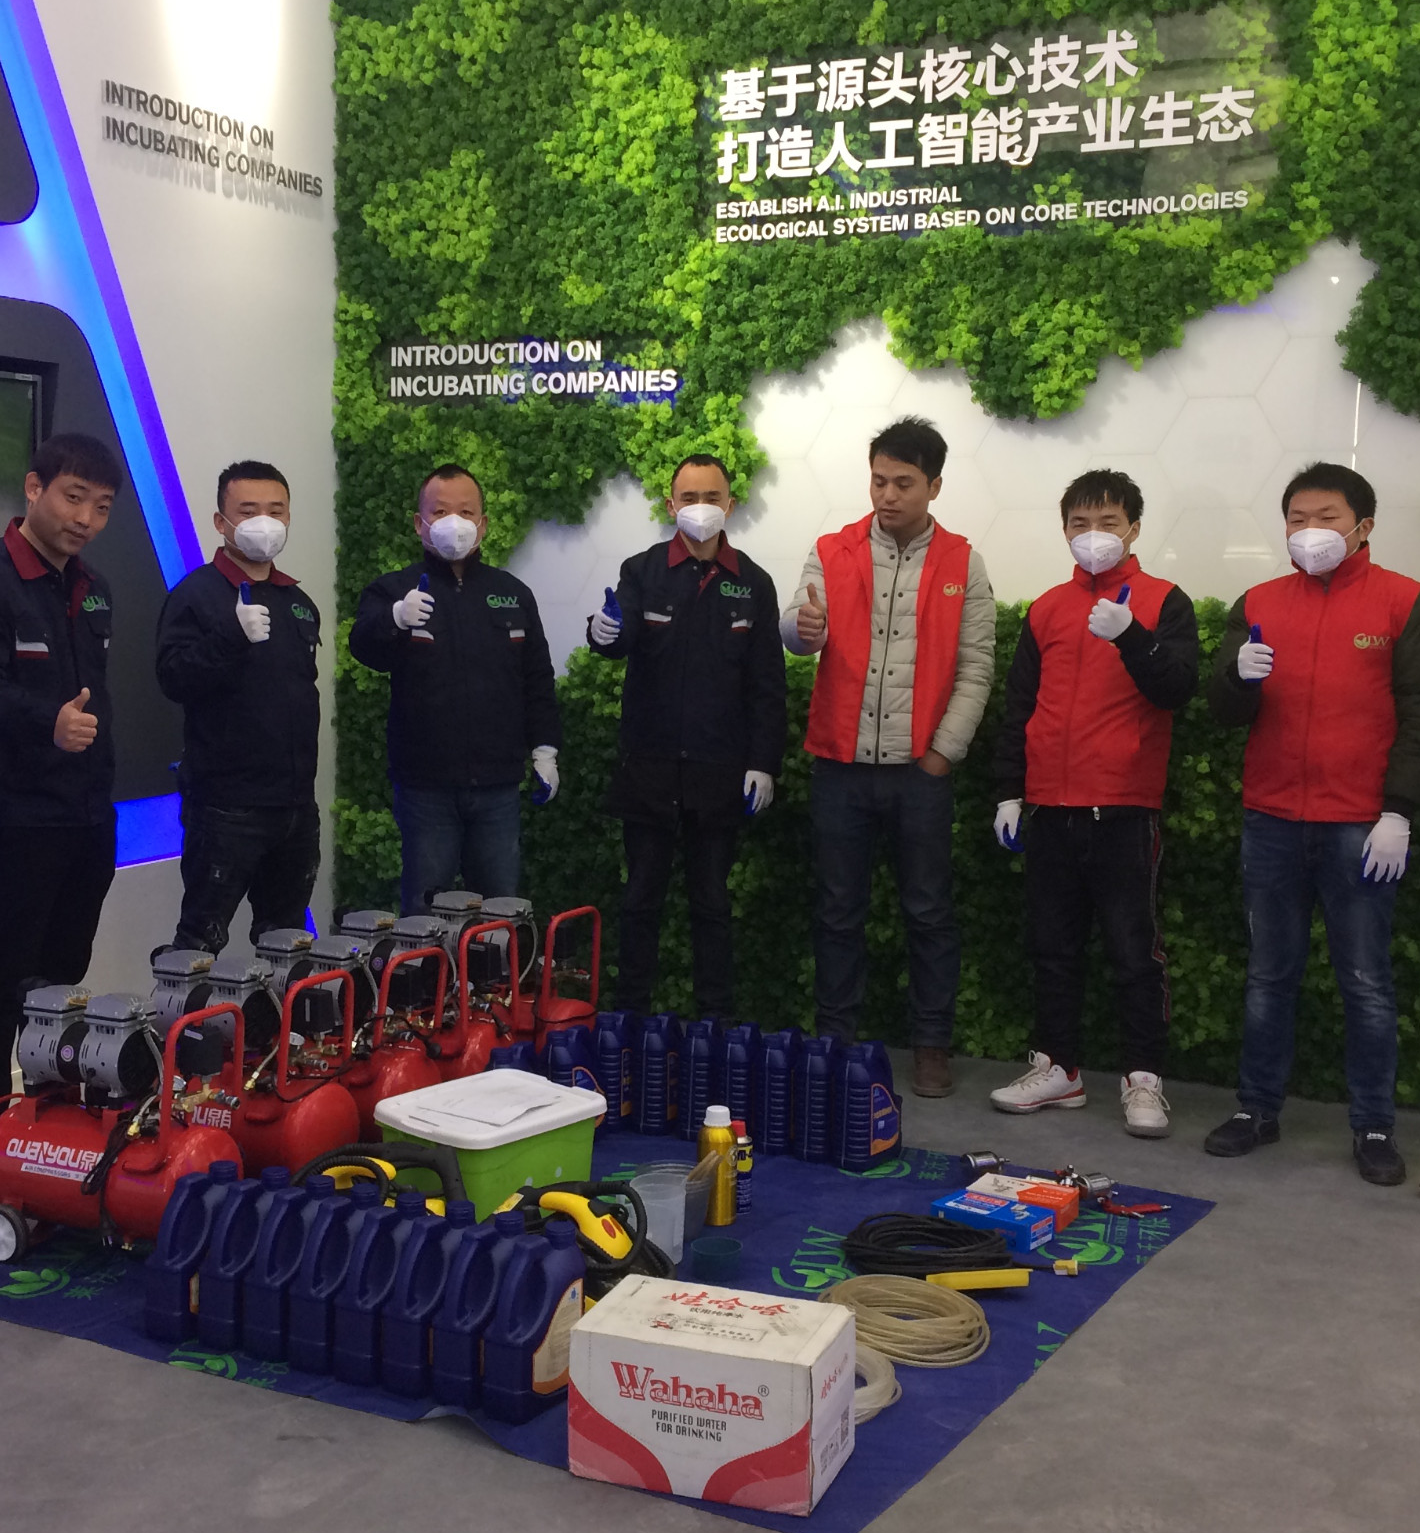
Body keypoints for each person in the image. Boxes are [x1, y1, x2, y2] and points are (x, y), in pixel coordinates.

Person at [1201, 462, 1420, 1185]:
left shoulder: (1405, 602)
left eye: (1327, 518)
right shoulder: (1258, 602)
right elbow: (1223, 713)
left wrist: (1399, 812)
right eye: (1296, 518)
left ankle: (1373, 1124)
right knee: (1268, 975)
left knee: (1366, 982)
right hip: (1273, 817)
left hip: (1361, 826)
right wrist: (1235, 677)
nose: (1309, 531)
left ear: (1363, 526)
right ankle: (1256, 1109)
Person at [782, 417, 996, 1099]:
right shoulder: (832, 549)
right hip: (839, 767)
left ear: (935, 485)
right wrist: (800, 630)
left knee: (929, 913)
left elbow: (976, 667)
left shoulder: (963, 562)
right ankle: (835, 1042)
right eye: (878, 481)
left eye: (904, 483)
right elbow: (797, 629)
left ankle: (931, 1046)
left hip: (919, 772)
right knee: (836, 911)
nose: (887, 495)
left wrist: (942, 754)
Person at [987, 469, 1198, 1137]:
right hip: (1050, 805)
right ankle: (1058, 1069)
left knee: (1135, 952)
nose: (1093, 535)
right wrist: (1010, 791)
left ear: (1134, 528)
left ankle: (1144, 1079)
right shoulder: (1047, 608)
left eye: (1108, 522)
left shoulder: (1165, 601)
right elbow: (1021, 705)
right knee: (1052, 947)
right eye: (1080, 523)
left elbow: (1177, 688)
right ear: (1064, 531)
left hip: (1125, 806)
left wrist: (1132, 635)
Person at [0, 433, 124, 1193]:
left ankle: (45, 1114)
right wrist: (45, 722)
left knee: (61, 980)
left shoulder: (94, 587)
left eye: (101, 507)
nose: (85, 519)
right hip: (12, 818)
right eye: (73, 498)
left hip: (86, 816)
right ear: (33, 488)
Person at [586, 453, 788, 1017]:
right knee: (639, 901)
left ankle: (715, 1024)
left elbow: (767, 684)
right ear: (670, 505)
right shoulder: (641, 571)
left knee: (713, 906)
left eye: (712, 497)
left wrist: (764, 762)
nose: (701, 508)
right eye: (690, 498)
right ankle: (629, 1020)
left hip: (719, 774)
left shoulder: (753, 583)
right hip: (648, 770)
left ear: (731, 505)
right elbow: (619, 634)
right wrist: (602, 632)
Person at [350, 463, 561, 909]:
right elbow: (363, 647)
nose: (454, 522)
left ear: (483, 524)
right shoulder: (394, 589)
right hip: (425, 787)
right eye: (440, 511)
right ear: (419, 523)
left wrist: (545, 750)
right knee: (424, 916)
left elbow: (537, 679)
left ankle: (493, 962)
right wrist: (394, 618)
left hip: (498, 785)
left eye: (466, 512)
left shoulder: (513, 594)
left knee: (500, 913)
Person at [156, 460, 324, 954]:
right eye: (248, 511)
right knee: (200, 942)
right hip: (226, 807)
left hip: (295, 804)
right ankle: (188, 1008)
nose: (264, 522)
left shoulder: (298, 601)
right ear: (221, 521)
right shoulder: (195, 595)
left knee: (287, 941)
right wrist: (230, 635)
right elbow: (173, 677)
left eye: (276, 511)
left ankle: (279, 1010)